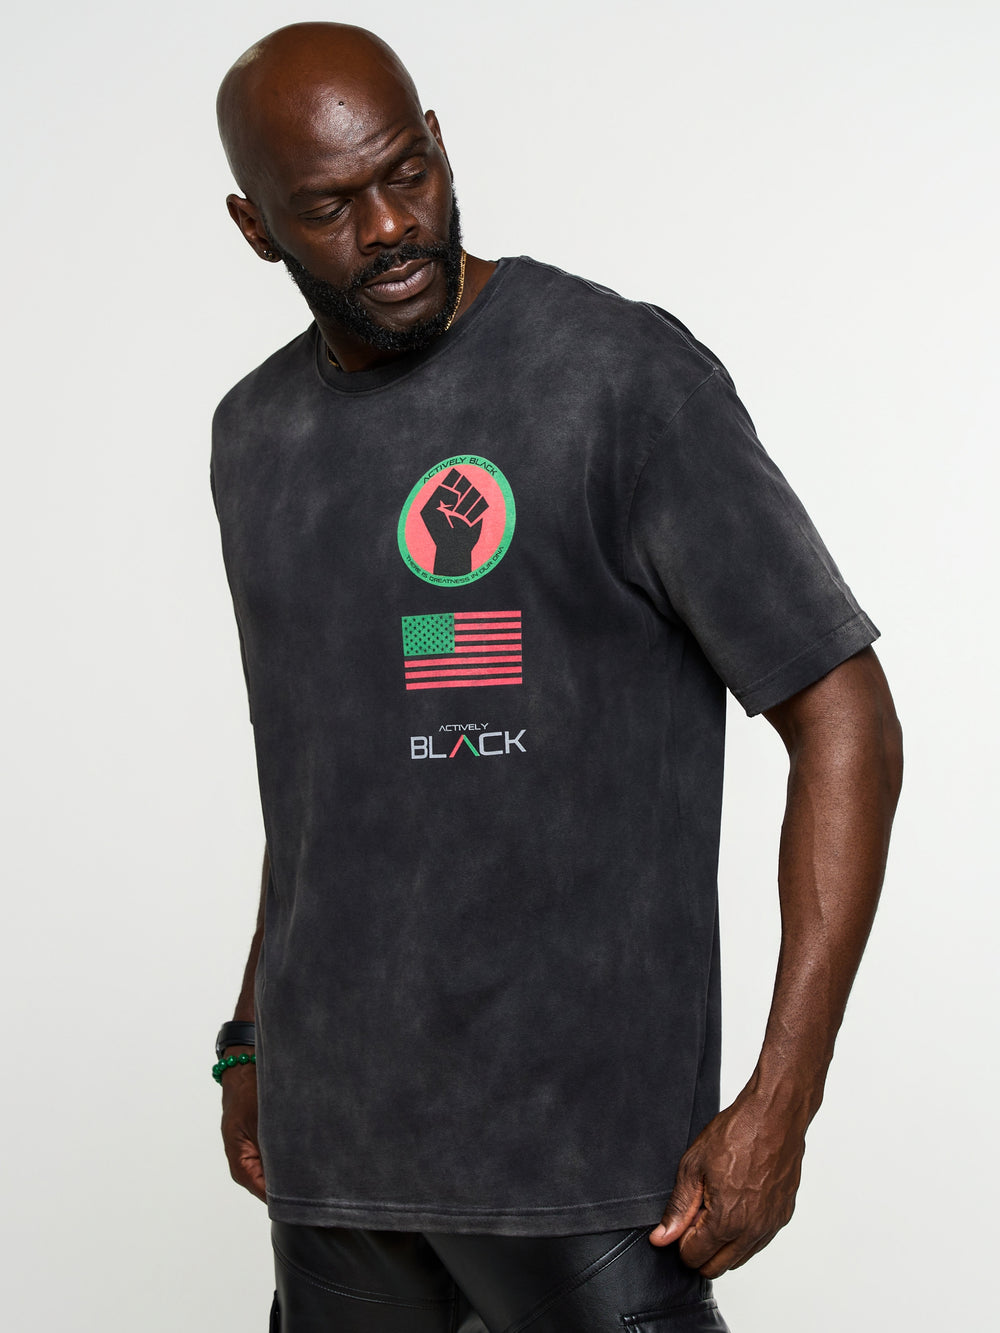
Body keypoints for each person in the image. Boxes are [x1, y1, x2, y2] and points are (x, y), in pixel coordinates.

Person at [210, 22, 902, 1332]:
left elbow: (845, 714)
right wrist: (252, 1031)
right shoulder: (253, 435)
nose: (391, 225)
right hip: (337, 1157)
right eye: (332, 207)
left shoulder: (617, 379)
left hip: (589, 1173)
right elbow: (320, 774)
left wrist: (782, 1099)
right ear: (256, 228)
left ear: (438, 141)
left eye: (407, 172)